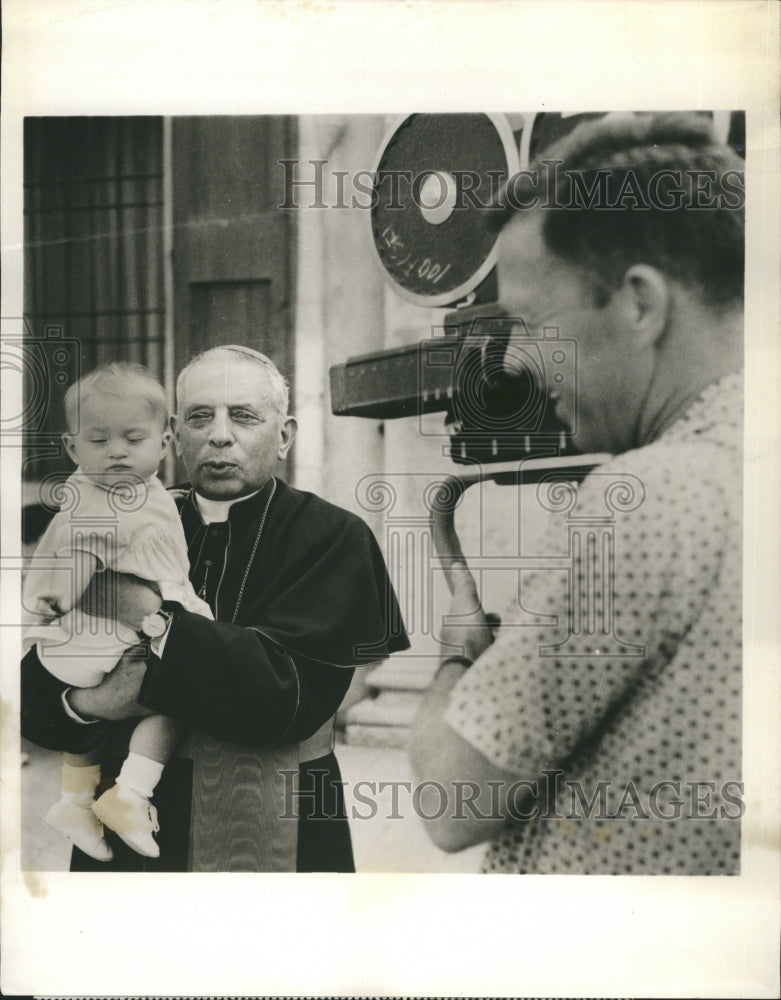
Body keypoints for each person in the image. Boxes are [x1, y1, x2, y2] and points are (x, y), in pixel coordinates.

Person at [410, 112, 744, 874]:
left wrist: (457, 660)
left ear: (639, 303)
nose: (514, 362)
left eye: (531, 323)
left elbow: (451, 799)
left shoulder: (651, 496)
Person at [22, 345, 409, 872]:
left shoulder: (334, 537)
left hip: (279, 812)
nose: (219, 435)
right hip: (124, 832)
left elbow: (286, 697)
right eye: (200, 417)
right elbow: (32, 692)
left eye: (244, 416)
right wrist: (91, 703)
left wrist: (149, 615)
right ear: (175, 435)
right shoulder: (120, 517)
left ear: (285, 436)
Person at [23, 362, 213, 862]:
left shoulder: (122, 489)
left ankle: (74, 801)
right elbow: (86, 550)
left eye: (132, 438)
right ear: (72, 448)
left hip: (78, 644)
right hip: (98, 633)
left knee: (109, 705)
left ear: (164, 441)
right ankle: (131, 793)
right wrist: (64, 593)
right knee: (180, 688)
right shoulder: (112, 498)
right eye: (99, 440)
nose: (117, 451)